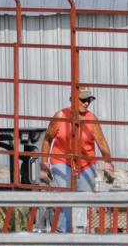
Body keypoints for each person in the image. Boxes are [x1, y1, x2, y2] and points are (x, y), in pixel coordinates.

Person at [41, 89, 113, 232]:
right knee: (67, 198)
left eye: (89, 100)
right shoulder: (60, 116)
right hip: (62, 161)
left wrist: (108, 163)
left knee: (83, 201)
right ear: (72, 99)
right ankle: (65, 235)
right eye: (83, 100)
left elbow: (102, 142)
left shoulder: (92, 119)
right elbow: (48, 139)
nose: (86, 103)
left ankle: (79, 237)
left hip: (85, 164)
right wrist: (44, 163)